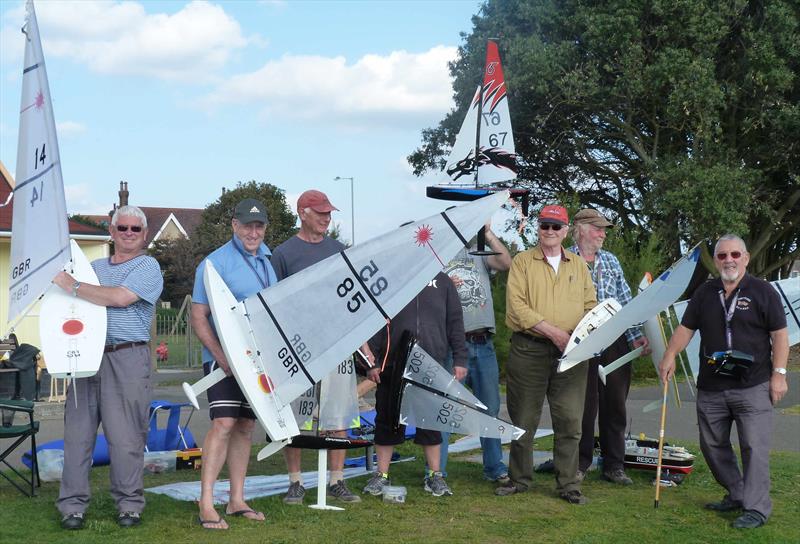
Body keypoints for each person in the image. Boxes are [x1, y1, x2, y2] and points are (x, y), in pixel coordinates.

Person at [659, 234, 788, 529]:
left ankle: (756, 508)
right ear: (716, 260)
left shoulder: (763, 291)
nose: (728, 260)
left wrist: (779, 375)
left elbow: (779, 335)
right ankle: (738, 492)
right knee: (712, 445)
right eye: (722, 256)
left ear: (745, 258)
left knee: (754, 447)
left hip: (753, 385)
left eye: (734, 255)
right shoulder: (705, 293)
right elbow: (685, 329)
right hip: (712, 387)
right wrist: (669, 355)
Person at [55, 205, 163, 530]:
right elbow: (67, 304)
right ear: (112, 232)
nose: (128, 233)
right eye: (122, 228)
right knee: (76, 436)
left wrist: (71, 285)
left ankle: (129, 505)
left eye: (135, 229)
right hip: (85, 355)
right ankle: (71, 507)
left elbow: (118, 297)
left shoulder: (149, 266)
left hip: (127, 356)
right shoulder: (93, 267)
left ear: (144, 235)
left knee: (126, 437)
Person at [273, 189, 374, 505]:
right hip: (298, 349)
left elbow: (353, 301)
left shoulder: (339, 251)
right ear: (303, 212)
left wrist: (365, 347)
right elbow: (274, 306)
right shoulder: (283, 254)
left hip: (337, 346)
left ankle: (337, 481)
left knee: (338, 416)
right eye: (321, 213)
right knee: (297, 418)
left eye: (329, 213)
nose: (327, 218)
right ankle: (295, 482)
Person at [496, 204, 596, 504]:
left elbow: (591, 304)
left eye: (555, 226)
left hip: (571, 354)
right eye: (544, 226)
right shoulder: (523, 262)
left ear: (566, 231)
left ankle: (568, 484)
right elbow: (517, 307)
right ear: (537, 228)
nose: (549, 231)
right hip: (529, 349)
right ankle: (519, 479)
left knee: (569, 420)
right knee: (523, 419)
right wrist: (555, 333)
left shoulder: (578, 265)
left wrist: (582, 335)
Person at [190, 198, 276, 530]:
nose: (253, 232)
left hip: (256, 363)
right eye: (247, 225)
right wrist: (221, 357)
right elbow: (199, 316)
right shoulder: (214, 264)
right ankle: (206, 503)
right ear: (234, 226)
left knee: (245, 427)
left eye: (259, 226)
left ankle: (237, 499)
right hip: (224, 362)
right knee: (223, 424)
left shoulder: (269, 261)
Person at [363, 271, 467, 497]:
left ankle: (434, 476)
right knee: (386, 420)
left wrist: (460, 357)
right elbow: (374, 320)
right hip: (393, 362)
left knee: (430, 422)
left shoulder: (443, 281)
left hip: (430, 363)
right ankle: (381, 475)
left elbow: (455, 321)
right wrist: (371, 363)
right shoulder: (390, 278)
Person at [569, 208, 649, 485]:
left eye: (604, 229)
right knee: (583, 404)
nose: (603, 234)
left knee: (615, 403)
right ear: (580, 229)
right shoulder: (566, 259)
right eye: (598, 228)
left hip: (615, 340)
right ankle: (579, 462)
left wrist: (636, 336)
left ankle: (614, 465)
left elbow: (627, 302)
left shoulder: (611, 261)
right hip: (581, 340)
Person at [439, 222, 512, 483]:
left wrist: (488, 233)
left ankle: (495, 468)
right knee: (445, 409)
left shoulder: (477, 251)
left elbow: (506, 264)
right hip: (449, 345)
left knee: (489, 408)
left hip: (482, 342)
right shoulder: (436, 256)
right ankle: (437, 471)